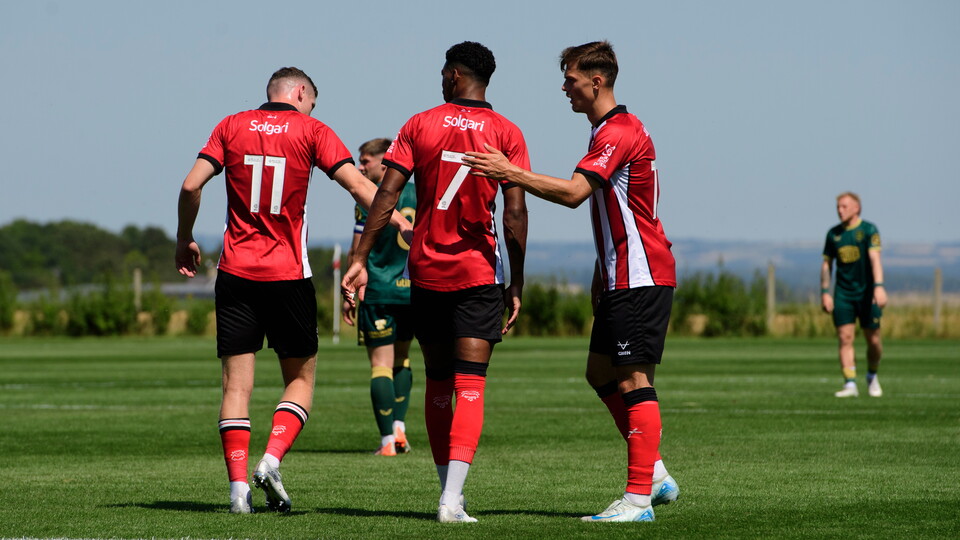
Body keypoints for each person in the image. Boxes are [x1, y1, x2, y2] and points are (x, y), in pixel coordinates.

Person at [175, 67, 412, 514]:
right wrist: (398, 221)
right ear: (301, 93)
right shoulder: (312, 129)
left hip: (235, 274)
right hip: (288, 276)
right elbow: (360, 185)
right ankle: (271, 459)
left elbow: (190, 185)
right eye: (312, 101)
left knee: (235, 388)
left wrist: (184, 236)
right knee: (300, 381)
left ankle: (238, 492)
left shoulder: (230, 125)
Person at [463, 40, 679, 523]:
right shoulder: (607, 129)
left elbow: (575, 193)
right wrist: (602, 275)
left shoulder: (619, 130)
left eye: (571, 80)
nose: (565, 88)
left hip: (639, 276)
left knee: (633, 379)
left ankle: (639, 499)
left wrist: (508, 171)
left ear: (596, 81)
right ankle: (657, 473)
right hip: (620, 276)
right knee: (599, 373)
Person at [341, 41, 529, 523]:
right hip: (477, 273)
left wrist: (359, 256)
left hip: (426, 272)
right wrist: (517, 281)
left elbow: (385, 194)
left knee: (438, 382)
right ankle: (452, 501)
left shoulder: (419, 123)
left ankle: (447, 492)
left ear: (452, 74)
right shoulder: (507, 131)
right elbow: (514, 213)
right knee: (471, 384)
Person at [341, 137, 417, 456]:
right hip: (414, 291)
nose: (360, 168)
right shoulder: (421, 191)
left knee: (380, 365)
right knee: (403, 358)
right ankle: (400, 430)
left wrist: (349, 290)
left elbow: (359, 247)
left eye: (366, 161)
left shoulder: (372, 197)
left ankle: (387, 441)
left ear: (385, 161)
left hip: (380, 289)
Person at [820, 191, 887, 398]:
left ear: (856, 208)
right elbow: (826, 265)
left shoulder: (868, 230)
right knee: (845, 337)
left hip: (867, 294)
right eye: (838, 207)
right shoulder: (833, 234)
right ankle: (850, 383)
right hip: (843, 294)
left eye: (844, 206)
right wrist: (825, 292)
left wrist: (878, 286)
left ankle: (872, 375)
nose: (840, 210)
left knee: (873, 339)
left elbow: (875, 259)